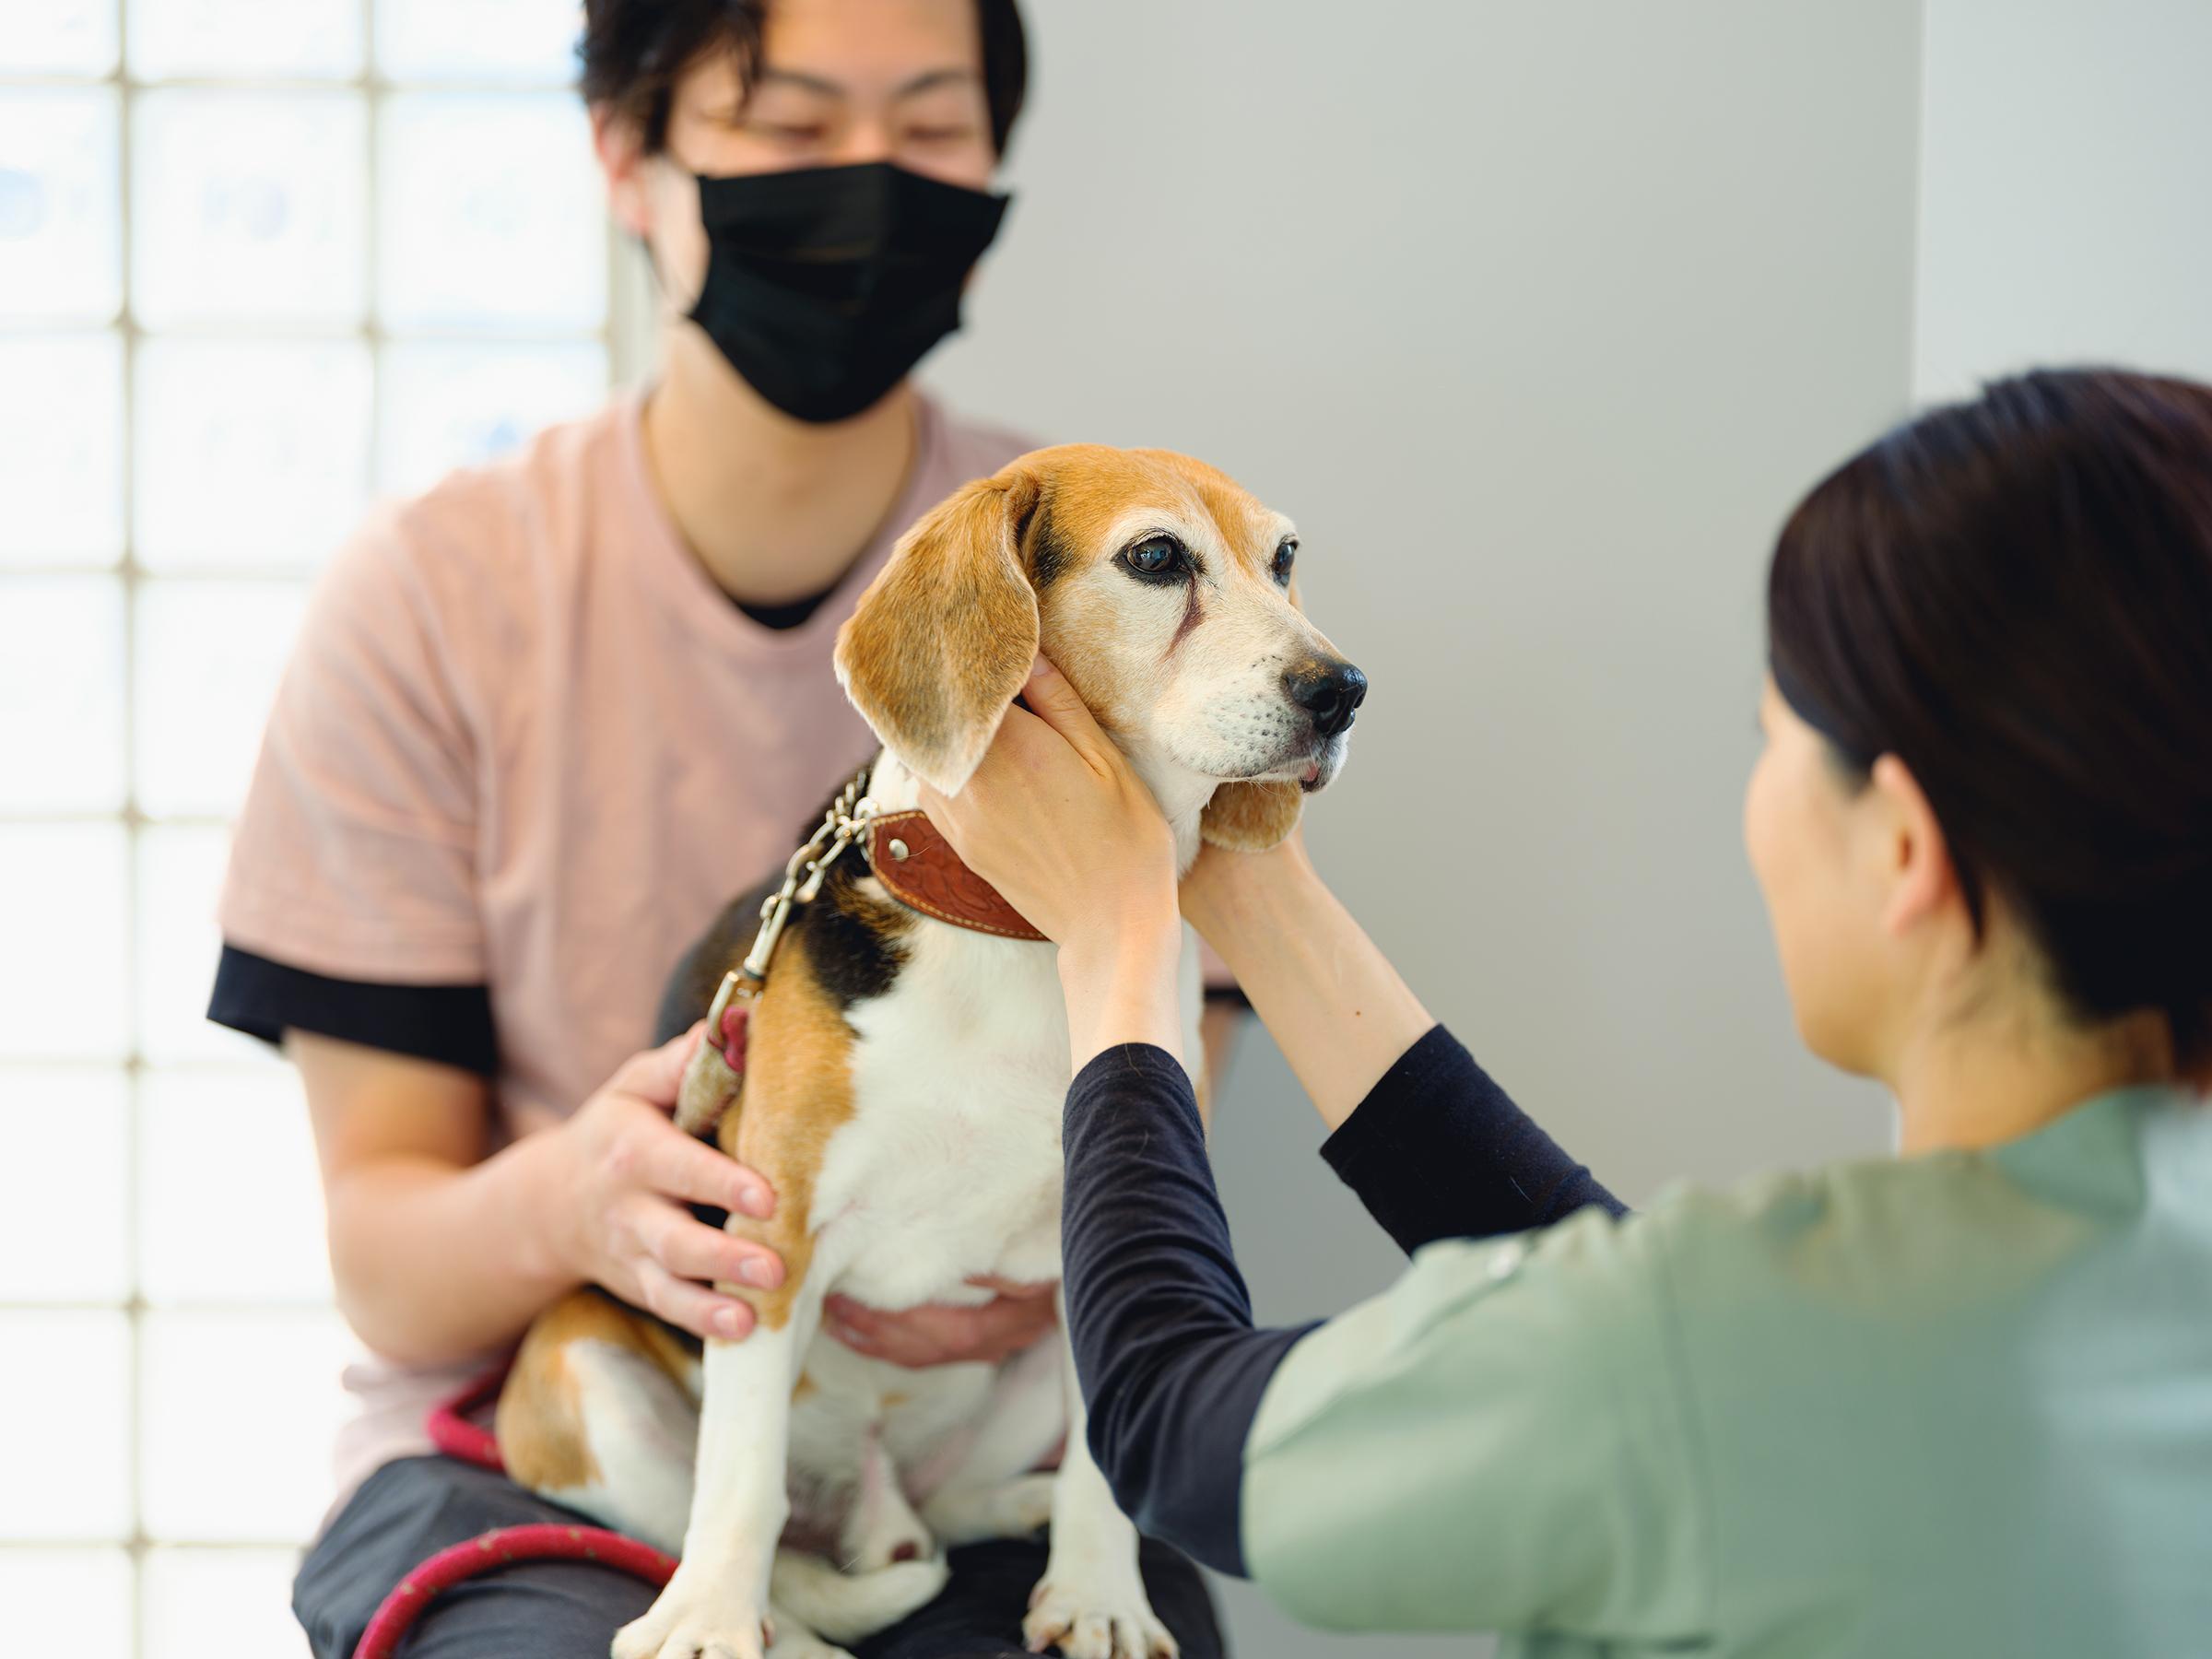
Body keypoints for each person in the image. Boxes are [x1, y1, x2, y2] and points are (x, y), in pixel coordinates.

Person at [208, 3, 1226, 1654]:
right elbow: (385, 1260)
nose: (869, 184)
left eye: (932, 126)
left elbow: (1155, 1117)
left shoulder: (1113, 572)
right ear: (628, 152)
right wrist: (585, 1207)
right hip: (563, 1439)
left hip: (985, 1450)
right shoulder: (430, 605)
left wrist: (1010, 1265)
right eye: (791, 121)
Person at [918, 368, 2212, 1656]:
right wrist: (1242, 883)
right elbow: (1629, 1315)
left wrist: (1117, 940)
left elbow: (1167, 1429)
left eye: (1775, 741)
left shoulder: (1706, 1352)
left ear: (1905, 855)